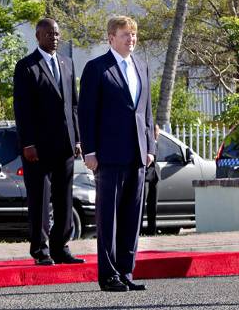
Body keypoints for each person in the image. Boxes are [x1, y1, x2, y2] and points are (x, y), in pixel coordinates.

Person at [79, 15, 156, 293]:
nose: (131, 39)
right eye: (125, 35)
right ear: (111, 38)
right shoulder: (97, 68)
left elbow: (146, 112)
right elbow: (86, 114)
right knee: (108, 217)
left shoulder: (142, 66)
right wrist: (89, 150)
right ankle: (108, 274)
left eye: (133, 35)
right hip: (108, 156)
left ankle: (125, 269)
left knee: (131, 217)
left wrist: (151, 148)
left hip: (137, 155)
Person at [13, 18, 86, 266]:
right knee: (40, 199)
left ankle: (60, 247)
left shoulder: (67, 63)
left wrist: (77, 138)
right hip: (37, 148)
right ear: (38, 36)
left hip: (65, 144)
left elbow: (73, 105)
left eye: (56, 33)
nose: (53, 37)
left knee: (64, 198)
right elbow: (22, 110)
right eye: (48, 33)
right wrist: (28, 143)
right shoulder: (26, 67)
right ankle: (41, 250)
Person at [142, 124, 160, 236]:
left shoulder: (156, 144)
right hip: (145, 176)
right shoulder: (146, 144)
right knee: (141, 204)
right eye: (157, 132)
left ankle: (152, 230)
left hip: (155, 177)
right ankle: (138, 230)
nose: (158, 134)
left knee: (153, 206)